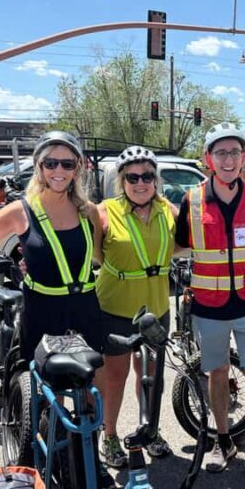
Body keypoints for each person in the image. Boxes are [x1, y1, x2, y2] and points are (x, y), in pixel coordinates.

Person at [175, 122, 245, 489]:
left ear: (244, 157)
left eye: (235, 152)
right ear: (208, 160)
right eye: (221, 152)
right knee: (217, 375)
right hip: (210, 305)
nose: (229, 159)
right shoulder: (191, 200)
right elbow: (173, 246)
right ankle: (222, 441)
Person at [0, 131, 105, 363]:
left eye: (67, 164)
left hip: (85, 308)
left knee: (92, 386)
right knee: (46, 391)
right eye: (51, 163)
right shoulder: (20, 211)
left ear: (77, 169)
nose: (59, 171)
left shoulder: (89, 211)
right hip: (42, 310)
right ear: (39, 167)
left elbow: (103, 257)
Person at [95, 145, 178, 468]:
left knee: (152, 376)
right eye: (132, 177)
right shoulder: (104, 211)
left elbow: (185, 244)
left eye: (147, 176)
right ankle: (111, 435)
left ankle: (151, 430)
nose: (140, 182)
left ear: (155, 179)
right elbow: (94, 253)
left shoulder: (168, 211)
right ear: (122, 180)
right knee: (114, 377)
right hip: (115, 308)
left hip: (156, 308)